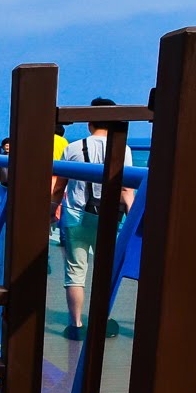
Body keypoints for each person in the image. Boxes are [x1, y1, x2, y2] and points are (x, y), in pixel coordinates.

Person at [51, 98, 134, 340]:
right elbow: (127, 190)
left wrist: (51, 210)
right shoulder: (124, 149)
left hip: (75, 214)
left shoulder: (73, 148)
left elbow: (59, 186)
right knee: (104, 269)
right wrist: (135, 221)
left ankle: (75, 325)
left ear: (90, 122)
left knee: (75, 271)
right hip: (107, 217)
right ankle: (103, 321)